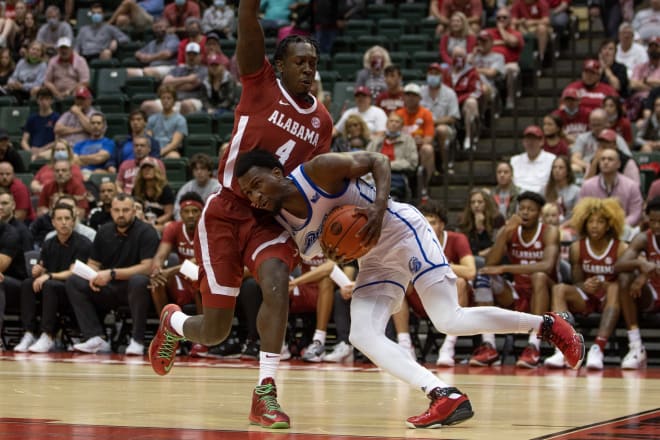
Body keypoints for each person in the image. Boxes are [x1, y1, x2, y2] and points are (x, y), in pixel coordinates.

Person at [234, 149, 585, 427]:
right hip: (373, 262)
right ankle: (442, 394)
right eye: (248, 193)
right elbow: (324, 259)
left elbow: (378, 160)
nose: (255, 196)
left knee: (448, 319)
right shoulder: (280, 226)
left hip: (402, 231)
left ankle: (549, 325)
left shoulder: (317, 171)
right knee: (362, 334)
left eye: (256, 185)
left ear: (276, 173)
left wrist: (378, 207)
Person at [148, 0, 333, 430]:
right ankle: (173, 322)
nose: (308, 69)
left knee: (276, 286)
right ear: (280, 66)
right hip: (227, 211)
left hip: (271, 220)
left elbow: (312, 180)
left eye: (314, 63)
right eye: (300, 62)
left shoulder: (323, 123)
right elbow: (247, 20)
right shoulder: (260, 83)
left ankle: (265, 392)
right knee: (214, 331)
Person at [66, 193, 159, 355]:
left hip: (134, 289)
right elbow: (94, 263)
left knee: (139, 281)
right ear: (111, 211)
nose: (121, 214)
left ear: (134, 211)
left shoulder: (146, 231)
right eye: (116, 210)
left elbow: (147, 267)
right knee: (74, 281)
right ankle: (95, 337)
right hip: (108, 287)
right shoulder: (104, 231)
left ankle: (137, 340)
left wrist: (112, 273)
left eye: (125, 210)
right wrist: (92, 276)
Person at [479, 191, 560, 368]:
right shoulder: (511, 231)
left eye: (530, 209)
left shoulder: (550, 232)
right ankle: (489, 345)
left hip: (545, 291)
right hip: (518, 290)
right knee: (484, 277)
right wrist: (506, 230)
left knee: (538, 277)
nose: (525, 212)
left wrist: (506, 268)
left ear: (539, 213)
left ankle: (534, 345)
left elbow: (546, 266)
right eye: (521, 208)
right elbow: (490, 263)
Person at [544, 197, 626, 369]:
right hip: (587, 298)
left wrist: (604, 285)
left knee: (615, 288)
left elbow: (624, 280)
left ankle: (598, 348)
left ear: (610, 224)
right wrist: (584, 285)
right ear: (584, 223)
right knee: (559, 289)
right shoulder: (576, 247)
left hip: (610, 300)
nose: (594, 225)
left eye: (600, 221)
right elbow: (577, 281)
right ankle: (564, 347)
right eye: (591, 221)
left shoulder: (620, 247)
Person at [13, 202, 92, 353]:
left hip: (72, 290)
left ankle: (47, 335)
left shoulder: (83, 244)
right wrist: (39, 270)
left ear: (73, 220)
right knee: (27, 283)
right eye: (60, 219)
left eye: (67, 218)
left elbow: (74, 272)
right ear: (53, 222)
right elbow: (44, 266)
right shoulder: (49, 243)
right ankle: (29, 332)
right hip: (52, 286)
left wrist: (48, 276)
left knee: (49, 285)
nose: (63, 222)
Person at [613, 197, 660, 369]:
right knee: (625, 278)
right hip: (653, 295)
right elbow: (617, 266)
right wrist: (640, 264)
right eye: (653, 221)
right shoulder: (644, 238)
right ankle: (636, 346)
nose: (656, 226)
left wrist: (645, 274)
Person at [149, 191, 203, 331]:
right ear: (180, 213)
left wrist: (170, 271)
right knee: (157, 283)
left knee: (198, 278)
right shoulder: (173, 227)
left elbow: (200, 260)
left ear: (202, 212)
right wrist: (157, 271)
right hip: (182, 274)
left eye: (195, 211)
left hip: (203, 274)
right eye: (186, 211)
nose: (190, 215)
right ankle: (168, 333)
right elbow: (161, 255)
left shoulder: (208, 229)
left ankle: (203, 335)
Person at [578, 145, 643, 228]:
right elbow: (581, 211)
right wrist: (596, 225)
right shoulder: (587, 185)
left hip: (623, 228)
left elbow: (636, 213)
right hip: (594, 229)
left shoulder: (632, 186)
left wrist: (617, 225)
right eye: (603, 159)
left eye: (610, 159)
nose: (606, 162)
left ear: (618, 164)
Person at [366, 113, 418, 201]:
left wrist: (387, 164)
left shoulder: (408, 140)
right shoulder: (377, 141)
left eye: (397, 122)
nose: (393, 123)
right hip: (375, 174)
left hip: (396, 174)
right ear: (386, 124)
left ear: (402, 126)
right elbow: (366, 158)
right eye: (391, 121)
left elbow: (412, 163)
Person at [420, 63, 460, 174]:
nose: (433, 76)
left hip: (445, 128)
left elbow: (453, 117)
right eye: (430, 73)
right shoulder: (420, 92)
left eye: (436, 73)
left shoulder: (449, 93)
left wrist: (433, 122)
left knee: (440, 130)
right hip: (423, 127)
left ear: (441, 75)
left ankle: (445, 164)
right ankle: (429, 171)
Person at [395, 83, 436, 188]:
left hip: (418, 149)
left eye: (414, 95)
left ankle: (424, 188)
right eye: (408, 95)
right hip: (401, 148)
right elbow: (392, 135)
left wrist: (420, 142)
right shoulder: (398, 114)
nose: (410, 98)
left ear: (420, 98)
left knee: (428, 149)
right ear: (403, 97)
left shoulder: (426, 113)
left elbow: (428, 138)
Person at [131, 157, 174, 232]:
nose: (147, 170)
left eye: (150, 168)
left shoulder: (165, 189)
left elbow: (169, 214)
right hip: (141, 221)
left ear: (156, 170)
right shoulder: (136, 188)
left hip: (159, 223)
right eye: (144, 168)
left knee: (167, 226)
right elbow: (134, 209)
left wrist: (154, 222)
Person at [510, 125, 556, 194]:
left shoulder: (552, 159)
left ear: (541, 141)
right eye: (527, 139)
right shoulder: (514, 160)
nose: (530, 142)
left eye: (534, 139)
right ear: (523, 142)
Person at [173, 153, 220, 220]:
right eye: (196, 169)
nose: (199, 172)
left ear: (209, 171)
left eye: (202, 169)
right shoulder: (187, 188)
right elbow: (177, 209)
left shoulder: (217, 188)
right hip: (189, 224)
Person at [146, 85, 187, 158]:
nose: (165, 100)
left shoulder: (180, 119)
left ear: (174, 101)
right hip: (153, 150)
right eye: (163, 98)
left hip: (169, 151)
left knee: (174, 157)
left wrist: (159, 153)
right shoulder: (152, 118)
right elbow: (148, 138)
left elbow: (175, 143)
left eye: (169, 98)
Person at [21, 87, 59, 161]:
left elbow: (58, 140)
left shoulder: (57, 118)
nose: (44, 102)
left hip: (49, 151)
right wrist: (29, 151)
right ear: (37, 101)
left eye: (47, 99)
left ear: (51, 101)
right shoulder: (32, 118)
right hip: (33, 150)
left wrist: (42, 149)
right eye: (41, 99)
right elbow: (24, 141)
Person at [511, 0, 551, 65]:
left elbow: (546, 20)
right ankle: (515, 57)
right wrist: (520, 21)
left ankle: (541, 57)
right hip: (523, 27)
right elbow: (513, 20)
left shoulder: (542, 2)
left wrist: (533, 21)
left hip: (537, 27)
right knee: (513, 27)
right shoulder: (518, 3)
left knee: (542, 28)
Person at [544, 155, 580, 224]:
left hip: (568, 227)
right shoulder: (545, 189)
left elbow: (578, 216)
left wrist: (563, 227)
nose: (557, 170)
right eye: (554, 167)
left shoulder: (576, 191)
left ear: (567, 171)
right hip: (548, 227)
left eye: (561, 168)